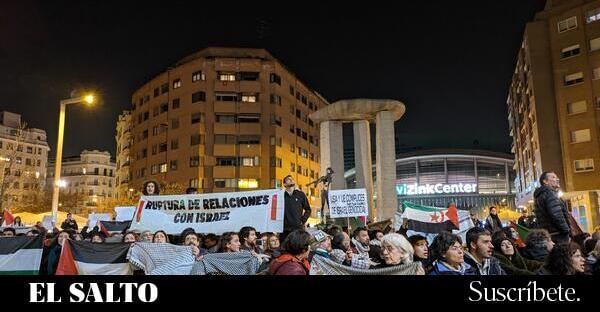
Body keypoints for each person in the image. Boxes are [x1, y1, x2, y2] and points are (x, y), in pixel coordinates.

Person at [534, 172, 571, 245]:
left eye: (556, 177)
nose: (557, 179)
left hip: (550, 235)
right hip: (558, 235)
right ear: (545, 181)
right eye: (553, 177)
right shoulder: (550, 193)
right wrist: (567, 230)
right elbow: (556, 214)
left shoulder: (541, 195)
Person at [281, 175, 311, 244]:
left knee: (298, 246)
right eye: (289, 179)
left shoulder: (300, 194)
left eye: (292, 179)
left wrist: (303, 220)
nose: (291, 180)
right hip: (285, 229)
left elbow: (308, 209)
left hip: (298, 228)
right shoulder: (281, 196)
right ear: (285, 184)